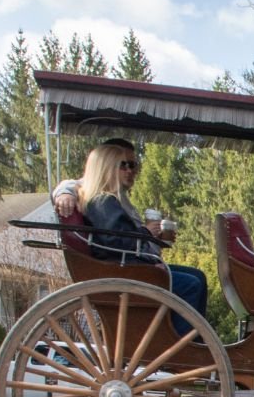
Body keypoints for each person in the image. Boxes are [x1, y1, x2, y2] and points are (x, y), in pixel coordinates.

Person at [68, 141, 209, 333]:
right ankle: (182, 346)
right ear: (107, 168)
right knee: (190, 284)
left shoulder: (106, 200)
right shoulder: (103, 201)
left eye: (132, 165)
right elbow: (117, 240)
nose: (130, 170)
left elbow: (118, 237)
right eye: (123, 165)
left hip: (124, 265)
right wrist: (147, 233)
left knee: (197, 276)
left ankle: (194, 338)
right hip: (122, 270)